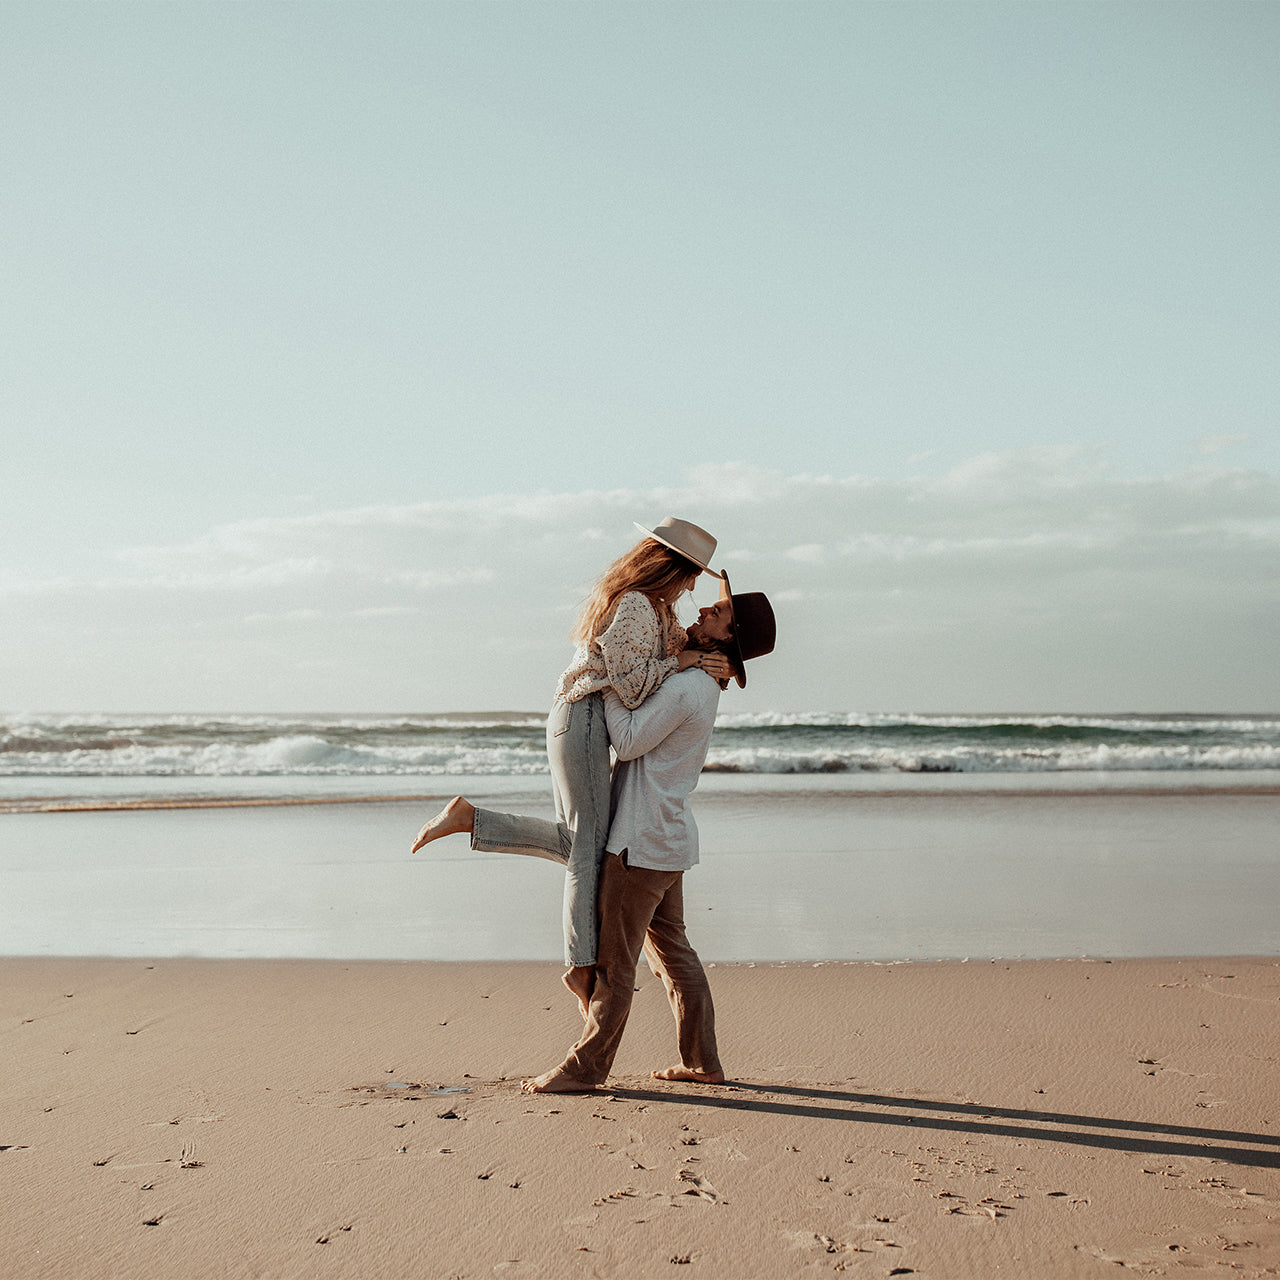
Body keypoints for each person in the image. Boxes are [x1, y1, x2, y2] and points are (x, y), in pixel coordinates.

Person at [414, 574, 776, 1094]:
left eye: (715, 614)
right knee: (675, 955)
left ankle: (586, 1068)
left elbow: (626, 742)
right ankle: (703, 1063)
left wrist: (605, 679)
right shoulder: (698, 681)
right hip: (665, 840)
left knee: (615, 964)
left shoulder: (689, 687)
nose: (701, 614)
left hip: (640, 843)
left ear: (726, 637)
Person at [411, 518, 735, 1016]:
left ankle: (471, 819)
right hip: (582, 717)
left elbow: (673, 659)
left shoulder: (656, 608)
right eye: (693, 574)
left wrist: (715, 660)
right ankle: (581, 968)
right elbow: (629, 690)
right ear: (671, 567)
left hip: (584, 720)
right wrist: (685, 664)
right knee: (586, 849)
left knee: (580, 842)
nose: (695, 587)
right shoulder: (634, 606)